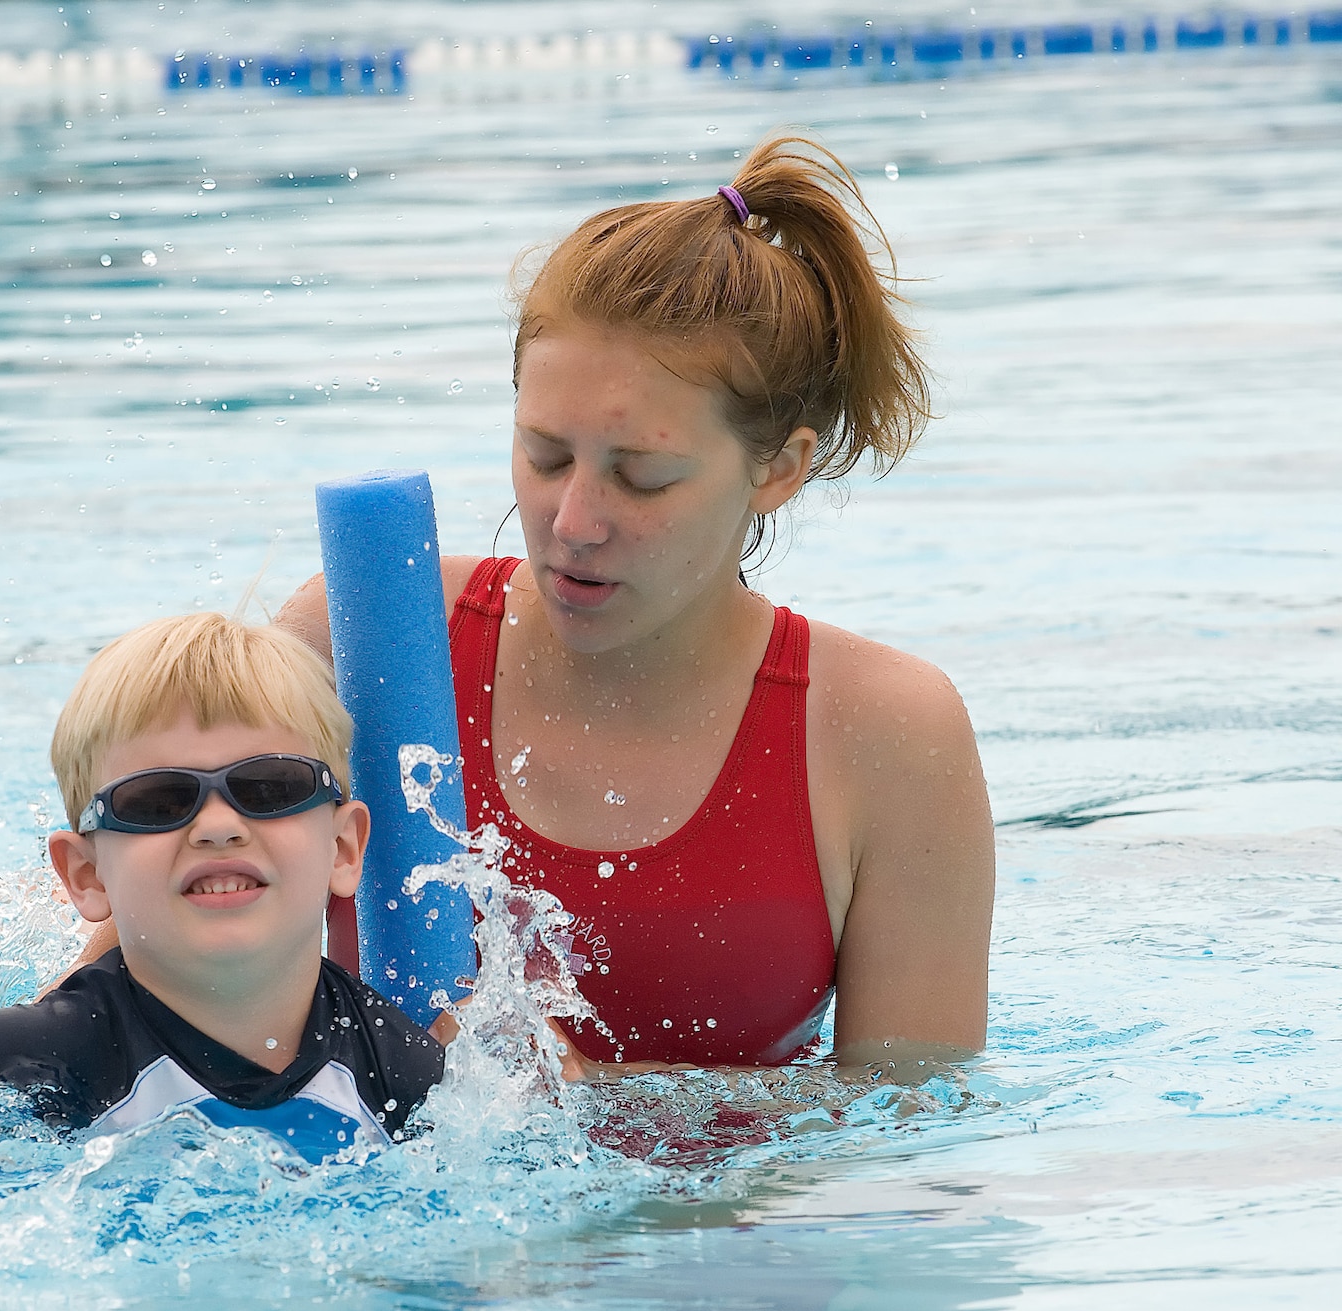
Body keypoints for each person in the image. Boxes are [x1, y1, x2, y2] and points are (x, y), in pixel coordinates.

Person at [280, 133, 993, 1077]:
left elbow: (912, 1123)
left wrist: (594, 1096)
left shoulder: (889, 736)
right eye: (543, 455)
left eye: (643, 477)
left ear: (778, 468)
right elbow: (128, 989)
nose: (573, 521)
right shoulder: (361, 637)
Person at [0, 613, 445, 1156]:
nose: (220, 825)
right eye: (159, 801)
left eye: (271, 786)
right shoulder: (57, 1053)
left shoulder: (399, 1064)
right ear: (85, 874)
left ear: (344, 847)